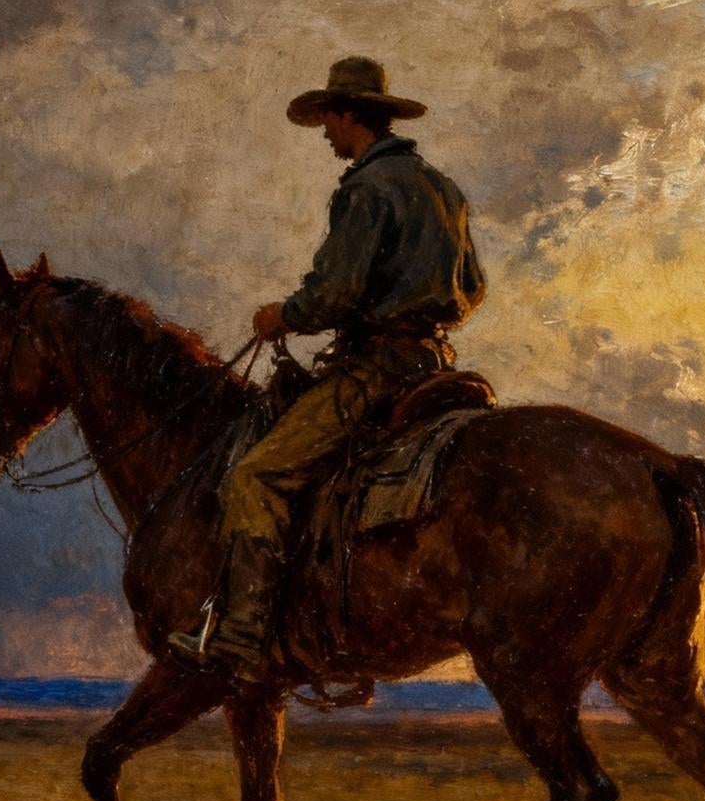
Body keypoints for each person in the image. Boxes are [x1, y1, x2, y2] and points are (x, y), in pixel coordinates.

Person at [172, 55, 486, 679]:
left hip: (377, 371)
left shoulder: (366, 189)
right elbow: (472, 288)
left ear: (350, 116)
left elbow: (335, 295)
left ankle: (243, 635)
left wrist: (282, 316)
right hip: (435, 367)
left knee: (257, 476)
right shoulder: (442, 188)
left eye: (329, 122)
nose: (325, 136)